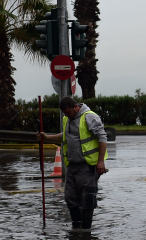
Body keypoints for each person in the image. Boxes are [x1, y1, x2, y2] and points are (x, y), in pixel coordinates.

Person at [39, 97, 108, 230]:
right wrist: (47, 137)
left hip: (87, 165)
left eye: (68, 112)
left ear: (76, 107)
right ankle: (76, 229)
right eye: (64, 113)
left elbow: (102, 136)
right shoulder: (67, 119)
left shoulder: (89, 117)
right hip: (72, 165)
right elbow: (65, 136)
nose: (67, 115)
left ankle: (86, 232)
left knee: (87, 199)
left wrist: (100, 162)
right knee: (70, 198)